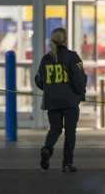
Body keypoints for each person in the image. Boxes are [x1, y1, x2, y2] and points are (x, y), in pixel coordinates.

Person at [35, 27, 87, 173]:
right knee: (70, 132)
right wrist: (80, 93)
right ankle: (67, 164)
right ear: (65, 40)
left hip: (52, 101)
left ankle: (46, 149)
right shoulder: (72, 56)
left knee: (55, 129)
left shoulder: (46, 59)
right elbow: (80, 78)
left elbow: (38, 80)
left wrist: (51, 90)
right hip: (70, 100)